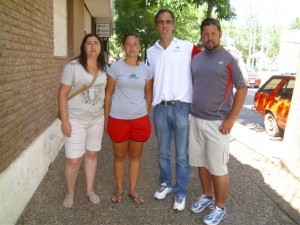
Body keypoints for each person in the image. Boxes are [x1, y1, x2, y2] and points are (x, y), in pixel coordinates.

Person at [189, 17, 248, 225]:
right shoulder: (196, 59)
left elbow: (242, 87)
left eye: (213, 33)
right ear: (201, 36)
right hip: (195, 120)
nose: (209, 37)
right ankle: (206, 196)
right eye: (206, 34)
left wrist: (231, 118)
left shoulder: (231, 57)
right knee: (201, 163)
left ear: (220, 34)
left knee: (218, 167)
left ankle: (220, 207)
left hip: (218, 123)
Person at [146, 9, 201, 211]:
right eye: (160, 22)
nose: (164, 25)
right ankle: (166, 183)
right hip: (160, 108)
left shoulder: (186, 47)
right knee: (162, 152)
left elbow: (205, 66)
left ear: (173, 24)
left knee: (181, 154)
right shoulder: (150, 52)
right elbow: (149, 82)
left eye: (168, 21)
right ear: (156, 25)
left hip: (182, 107)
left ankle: (180, 192)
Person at [58, 33, 107, 208]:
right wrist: (65, 121)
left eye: (96, 43)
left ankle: (89, 189)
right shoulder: (73, 66)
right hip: (75, 120)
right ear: (83, 47)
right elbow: (62, 94)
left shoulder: (103, 67)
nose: (93, 46)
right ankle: (70, 193)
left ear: (100, 47)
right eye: (89, 43)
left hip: (96, 120)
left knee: (92, 154)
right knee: (73, 159)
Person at [105, 33, 153, 204]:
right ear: (124, 47)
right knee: (119, 157)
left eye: (135, 44)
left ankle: (132, 190)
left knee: (135, 157)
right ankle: (119, 189)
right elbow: (108, 94)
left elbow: (148, 93)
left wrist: (144, 113)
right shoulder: (115, 68)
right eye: (128, 44)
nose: (132, 48)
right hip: (118, 119)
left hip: (139, 120)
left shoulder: (146, 70)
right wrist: (106, 120)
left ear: (139, 47)